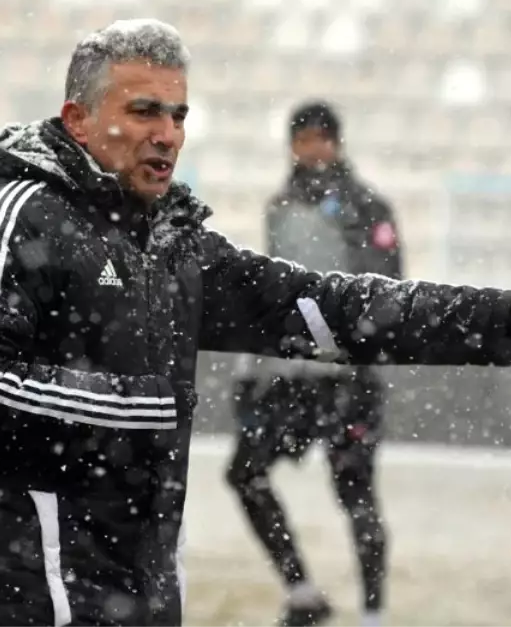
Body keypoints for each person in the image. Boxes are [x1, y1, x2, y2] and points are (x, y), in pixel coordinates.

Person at [0, 18, 511, 627]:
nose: (166, 133)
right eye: (143, 110)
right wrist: (140, 405)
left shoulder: (170, 247)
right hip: (21, 596)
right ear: (79, 119)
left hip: (136, 590)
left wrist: (502, 320)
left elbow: (328, 306)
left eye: (178, 114)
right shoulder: (10, 215)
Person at [226, 102, 401, 627]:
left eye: (319, 138)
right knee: (245, 474)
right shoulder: (279, 204)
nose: (310, 148)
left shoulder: (369, 205)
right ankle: (302, 591)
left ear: (337, 142)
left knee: (356, 494)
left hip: (347, 376)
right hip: (289, 376)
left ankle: (374, 613)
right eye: (301, 139)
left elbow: (386, 283)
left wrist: (352, 339)